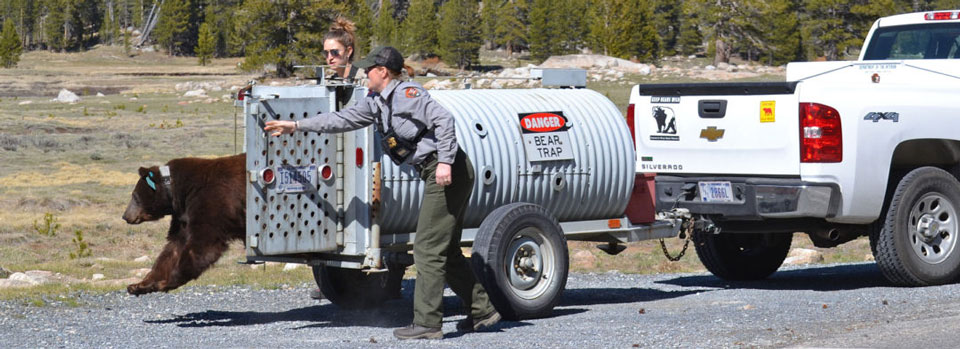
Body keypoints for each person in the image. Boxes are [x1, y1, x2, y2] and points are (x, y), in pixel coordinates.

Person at [264, 46, 501, 340]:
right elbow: (343, 120)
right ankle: (482, 310)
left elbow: (445, 121)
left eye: (368, 69)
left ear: (383, 72)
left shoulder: (407, 94)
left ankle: (428, 323)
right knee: (445, 248)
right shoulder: (375, 101)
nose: (364, 73)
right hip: (434, 172)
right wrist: (296, 126)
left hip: (449, 173)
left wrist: (444, 162)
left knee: (427, 248)